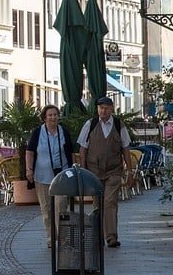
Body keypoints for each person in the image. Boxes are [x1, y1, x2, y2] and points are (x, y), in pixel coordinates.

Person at [77, 96, 138, 248]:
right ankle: (98, 236)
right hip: (94, 171)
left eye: (106, 108)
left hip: (113, 171)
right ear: (97, 109)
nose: (103, 111)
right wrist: (83, 171)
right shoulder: (90, 124)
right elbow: (83, 149)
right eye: (101, 108)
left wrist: (130, 172)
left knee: (110, 202)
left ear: (111, 109)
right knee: (98, 203)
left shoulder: (118, 125)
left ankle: (111, 237)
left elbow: (125, 148)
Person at [24, 104, 76, 249]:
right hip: (42, 175)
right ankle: (51, 238)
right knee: (46, 209)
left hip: (62, 175)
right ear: (44, 118)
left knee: (61, 204)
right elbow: (30, 152)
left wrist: (73, 169)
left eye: (55, 115)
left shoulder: (63, 132)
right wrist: (29, 170)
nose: (53, 117)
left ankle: (63, 237)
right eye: (50, 115)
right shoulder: (37, 133)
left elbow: (71, 152)